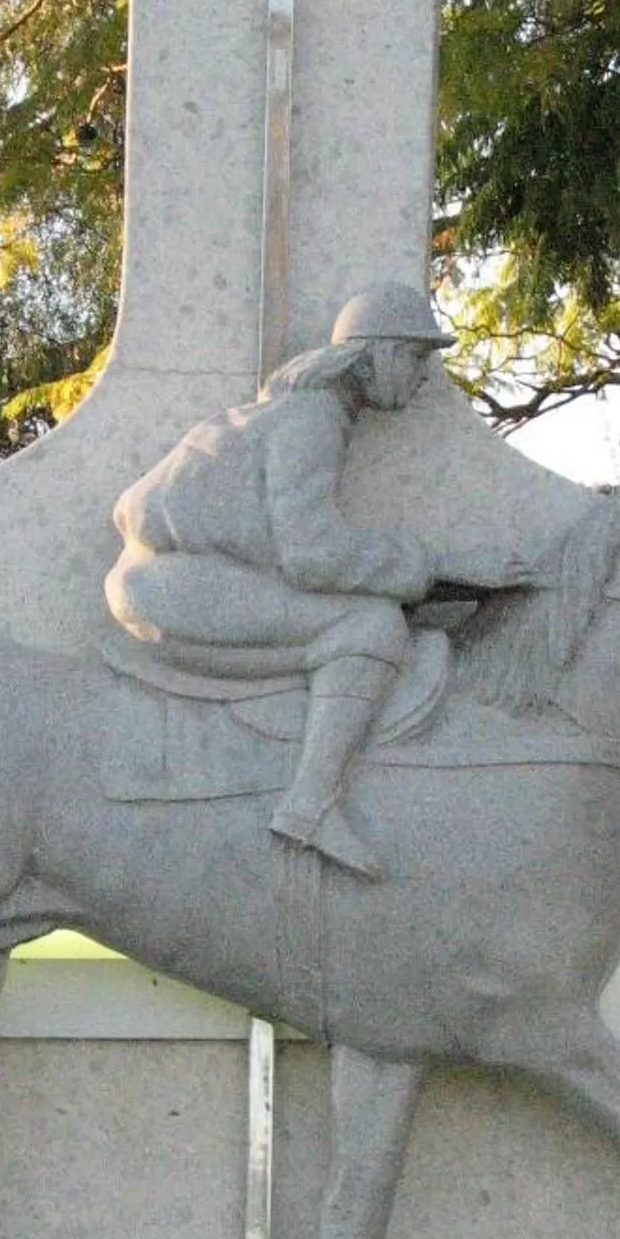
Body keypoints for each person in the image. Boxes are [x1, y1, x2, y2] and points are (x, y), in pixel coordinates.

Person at [106, 283, 524, 876]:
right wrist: (441, 564)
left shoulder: (299, 412)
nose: (425, 375)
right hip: (167, 587)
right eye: (414, 356)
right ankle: (310, 808)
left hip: (173, 578)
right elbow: (312, 556)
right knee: (372, 628)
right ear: (373, 354)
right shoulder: (313, 419)